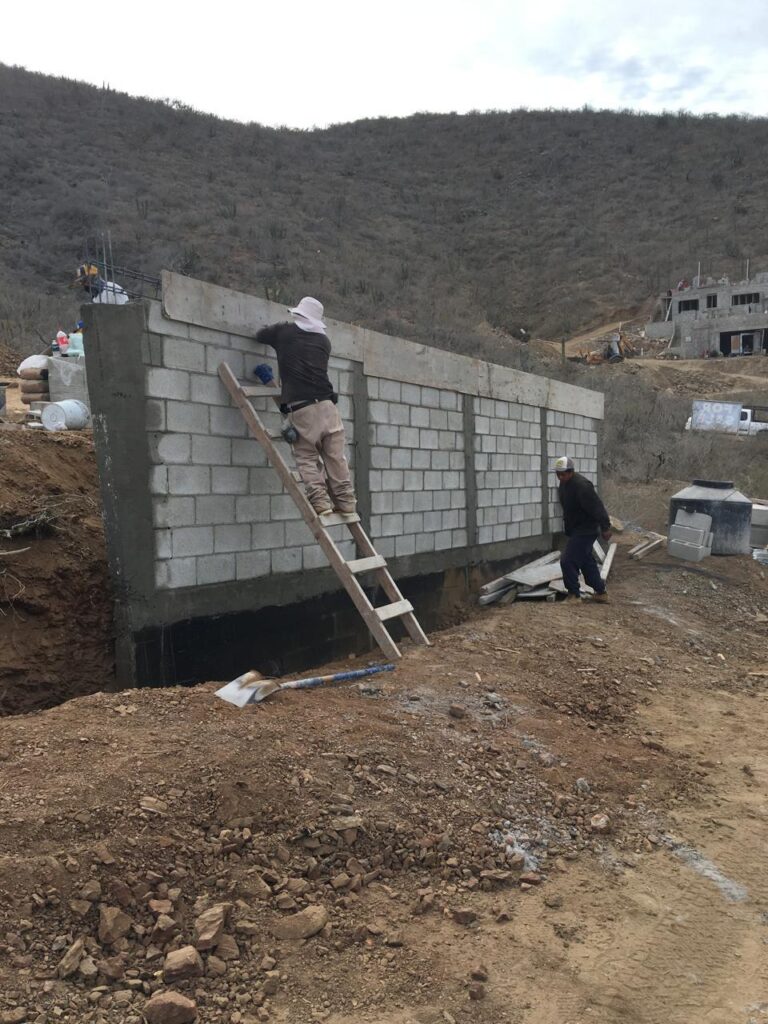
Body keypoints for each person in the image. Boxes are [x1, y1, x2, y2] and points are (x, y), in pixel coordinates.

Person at [254, 297, 357, 521]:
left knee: (307, 457)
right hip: (329, 407)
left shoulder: (284, 333)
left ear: (298, 314)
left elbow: (260, 335)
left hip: (303, 409)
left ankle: (321, 503)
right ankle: (347, 502)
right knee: (336, 458)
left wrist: (277, 328)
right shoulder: (324, 341)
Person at [554, 456, 611, 603]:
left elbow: (597, 507)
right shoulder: (564, 484)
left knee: (567, 560)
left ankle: (574, 595)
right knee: (586, 562)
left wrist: (605, 527)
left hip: (586, 529)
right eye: (558, 474)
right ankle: (601, 592)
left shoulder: (582, 486)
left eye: (563, 474)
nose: (560, 477)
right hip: (576, 529)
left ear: (571, 472)